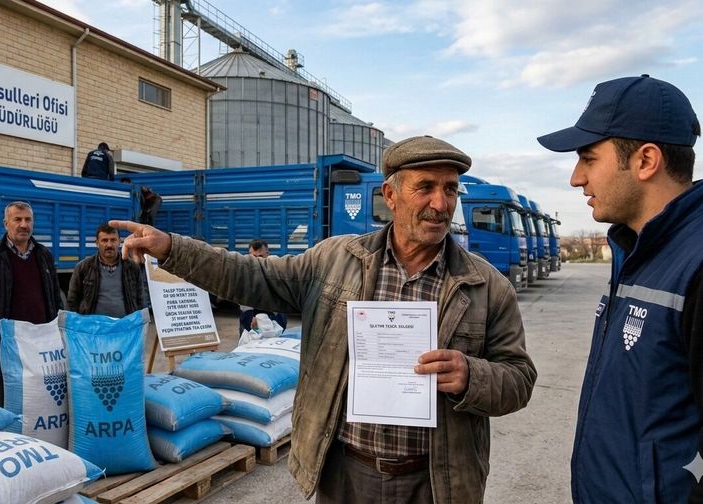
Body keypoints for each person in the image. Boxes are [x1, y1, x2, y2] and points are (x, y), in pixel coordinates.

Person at [110, 135, 537, 503]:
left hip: (435, 481)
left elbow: (519, 378)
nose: (440, 204)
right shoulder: (334, 261)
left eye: (450, 189)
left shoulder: (485, 286)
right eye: (425, 187)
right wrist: (173, 248)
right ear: (390, 196)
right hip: (346, 475)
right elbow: (249, 275)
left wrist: (470, 375)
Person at [538, 74, 703, 502]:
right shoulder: (637, 251)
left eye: (588, 159)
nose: (576, 178)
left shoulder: (695, 265)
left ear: (646, 161)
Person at [0, 201, 62, 407]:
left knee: (38, 400)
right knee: (2, 400)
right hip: (2, 346)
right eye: (17, 219)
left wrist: (59, 335)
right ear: (6, 223)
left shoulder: (43, 255)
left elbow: (55, 298)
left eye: (28, 220)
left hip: (38, 345)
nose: (24, 225)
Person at [66, 222, 146, 317]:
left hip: (124, 324)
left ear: (119, 242)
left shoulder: (132, 267)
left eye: (113, 240)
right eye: (104, 240)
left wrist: (140, 322)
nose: (109, 245)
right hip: (93, 325)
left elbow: (140, 299)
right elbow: (72, 300)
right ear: (97, 243)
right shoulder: (83, 267)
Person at [238, 239, 287, 335]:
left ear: (267, 254)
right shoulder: (244, 273)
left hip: (273, 315)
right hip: (250, 316)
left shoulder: (276, 270)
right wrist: (250, 321)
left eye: (260, 256)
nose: (257, 260)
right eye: (254, 257)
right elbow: (244, 306)